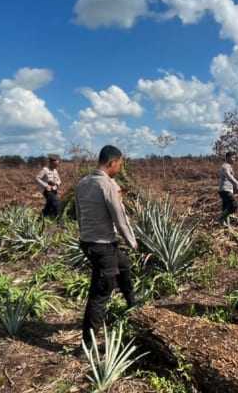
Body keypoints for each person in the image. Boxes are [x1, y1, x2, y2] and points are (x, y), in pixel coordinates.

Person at [75, 145, 138, 345]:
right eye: (119, 164)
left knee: (124, 265)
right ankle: (88, 344)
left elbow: (78, 214)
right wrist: (132, 242)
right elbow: (120, 220)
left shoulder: (83, 183)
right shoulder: (108, 185)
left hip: (88, 242)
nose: (120, 167)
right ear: (112, 163)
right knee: (101, 292)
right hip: (102, 246)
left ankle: (133, 307)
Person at [218, 151, 238, 226]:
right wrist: (237, 183)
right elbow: (228, 176)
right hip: (225, 190)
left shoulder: (229, 166)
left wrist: (235, 188)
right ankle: (221, 219)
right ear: (227, 158)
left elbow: (231, 178)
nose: (234, 159)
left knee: (226, 208)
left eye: (235, 158)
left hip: (226, 190)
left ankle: (224, 223)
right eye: (233, 158)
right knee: (234, 205)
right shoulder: (225, 166)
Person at [36, 154, 62, 218]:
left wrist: (56, 183)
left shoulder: (55, 171)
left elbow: (59, 180)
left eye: (57, 165)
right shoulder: (45, 170)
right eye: (55, 164)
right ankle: (59, 219)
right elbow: (37, 178)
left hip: (54, 190)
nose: (56, 166)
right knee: (57, 203)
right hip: (47, 191)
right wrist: (46, 185)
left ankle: (42, 217)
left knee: (49, 205)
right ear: (51, 162)